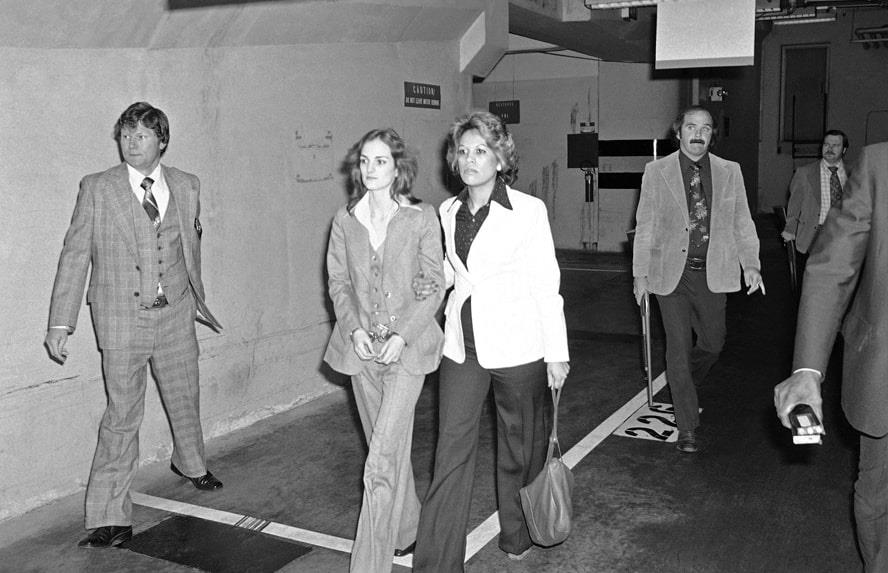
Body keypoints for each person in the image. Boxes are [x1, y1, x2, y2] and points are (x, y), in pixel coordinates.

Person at [44, 102, 224, 549]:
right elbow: (75, 255)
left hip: (175, 313)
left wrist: (193, 297)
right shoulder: (97, 188)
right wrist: (61, 322)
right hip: (122, 319)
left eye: (141, 135)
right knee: (122, 417)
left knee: (184, 395)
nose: (131, 142)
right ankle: (109, 516)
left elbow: (189, 246)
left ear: (162, 141)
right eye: (126, 134)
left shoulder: (187, 184)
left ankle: (191, 463)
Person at [412, 110, 570, 572]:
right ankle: (437, 563)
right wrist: (432, 281)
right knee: (450, 452)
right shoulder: (448, 211)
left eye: (480, 151)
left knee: (519, 450)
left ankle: (517, 533)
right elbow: (454, 270)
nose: (469, 159)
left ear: (500, 159)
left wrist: (556, 353)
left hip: (519, 346)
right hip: (463, 347)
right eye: (463, 151)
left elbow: (546, 284)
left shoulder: (528, 211)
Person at [322, 128, 445, 573]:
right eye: (364, 161)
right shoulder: (345, 220)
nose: (370, 169)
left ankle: (368, 566)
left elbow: (433, 287)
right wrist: (353, 329)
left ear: (398, 169)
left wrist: (402, 336)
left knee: (378, 466)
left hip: (406, 353)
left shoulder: (420, 217)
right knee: (388, 449)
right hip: (361, 354)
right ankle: (407, 531)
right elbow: (338, 283)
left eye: (380, 161)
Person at [775, 141, 888, 572]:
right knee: (878, 501)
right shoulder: (879, 165)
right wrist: (808, 369)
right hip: (885, 373)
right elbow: (833, 266)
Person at [632, 105, 764, 454]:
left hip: (712, 272)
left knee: (713, 343)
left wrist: (751, 264)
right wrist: (640, 274)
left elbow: (742, 222)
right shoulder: (656, 171)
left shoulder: (730, 171)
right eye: (691, 127)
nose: (698, 134)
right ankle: (687, 426)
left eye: (705, 128)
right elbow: (645, 226)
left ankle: (683, 384)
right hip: (670, 276)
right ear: (678, 132)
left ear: (711, 135)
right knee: (677, 350)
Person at [780, 130, 851, 280]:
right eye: (826, 144)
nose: (830, 148)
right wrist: (790, 229)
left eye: (835, 145)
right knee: (811, 283)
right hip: (814, 235)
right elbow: (794, 205)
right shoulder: (804, 173)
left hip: (844, 235)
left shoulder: (854, 174)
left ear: (844, 150)